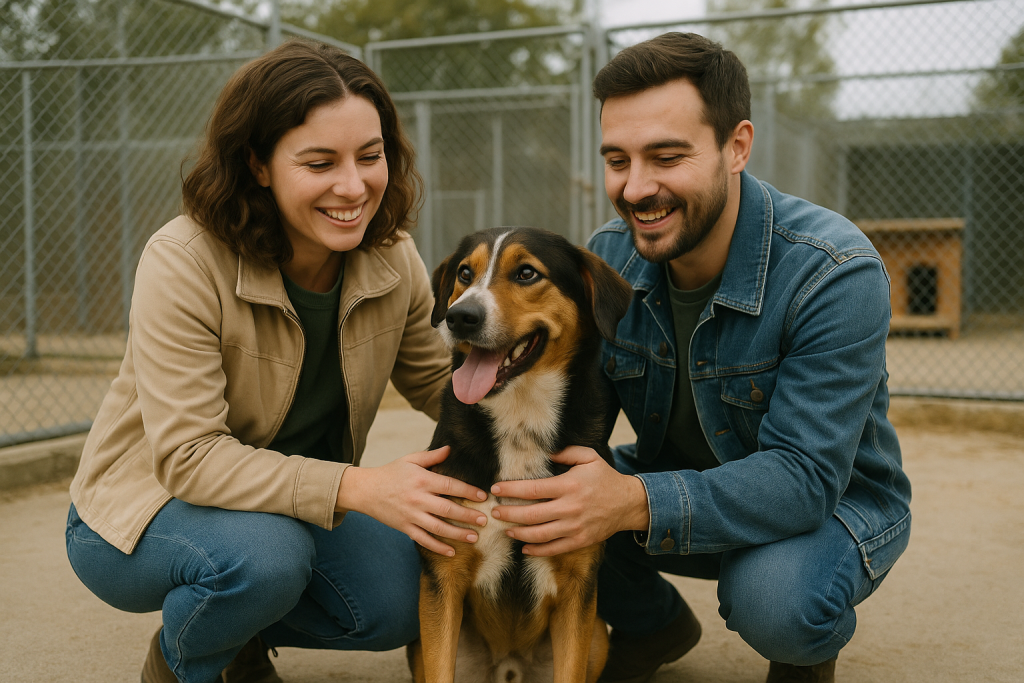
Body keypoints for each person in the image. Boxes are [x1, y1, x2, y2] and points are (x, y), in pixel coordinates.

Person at [488, 32, 912, 683]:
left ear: (736, 146)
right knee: (530, 503)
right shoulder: (611, 258)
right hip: (672, 477)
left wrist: (631, 501)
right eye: (616, 159)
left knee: (776, 598)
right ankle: (653, 624)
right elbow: (571, 421)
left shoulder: (834, 271)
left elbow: (803, 478)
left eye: (666, 156)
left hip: (831, 506)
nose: (635, 188)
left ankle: (803, 652)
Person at [65, 41, 490, 683]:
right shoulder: (184, 258)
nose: (354, 186)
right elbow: (189, 457)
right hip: (138, 512)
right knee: (266, 560)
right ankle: (186, 659)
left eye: (370, 157)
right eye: (320, 163)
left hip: (294, 505)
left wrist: (537, 430)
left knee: (406, 595)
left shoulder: (391, 256)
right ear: (258, 164)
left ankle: (236, 626)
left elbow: (440, 382)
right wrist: (362, 487)